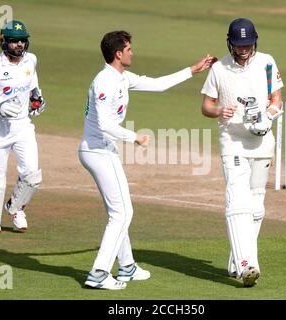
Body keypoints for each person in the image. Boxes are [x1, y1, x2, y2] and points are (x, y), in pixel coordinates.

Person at [79, 30, 216, 290]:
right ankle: (98, 273)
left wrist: (193, 70)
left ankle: (127, 266)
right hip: (97, 151)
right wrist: (135, 138)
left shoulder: (121, 77)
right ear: (118, 54)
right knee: (123, 213)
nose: (133, 52)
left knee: (117, 212)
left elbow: (158, 84)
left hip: (104, 150)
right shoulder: (104, 82)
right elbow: (105, 123)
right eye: (129, 49)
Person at [200, 18, 284, 287]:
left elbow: (276, 100)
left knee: (257, 204)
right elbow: (206, 106)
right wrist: (218, 111)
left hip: (262, 143)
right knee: (237, 201)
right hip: (232, 142)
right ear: (230, 43)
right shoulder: (219, 69)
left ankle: (236, 261)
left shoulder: (267, 62)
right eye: (239, 44)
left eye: (247, 44)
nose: (243, 48)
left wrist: (267, 118)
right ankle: (248, 263)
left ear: (254, 42)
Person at [0, 20, 46, 233]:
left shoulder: (31, 60)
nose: (19, 45)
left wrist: (36, 98)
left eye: (22, 40)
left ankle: (15, 208)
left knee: (32, 175)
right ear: (4, 42)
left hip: (23, 127)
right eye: (14, 41)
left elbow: (32, 81)